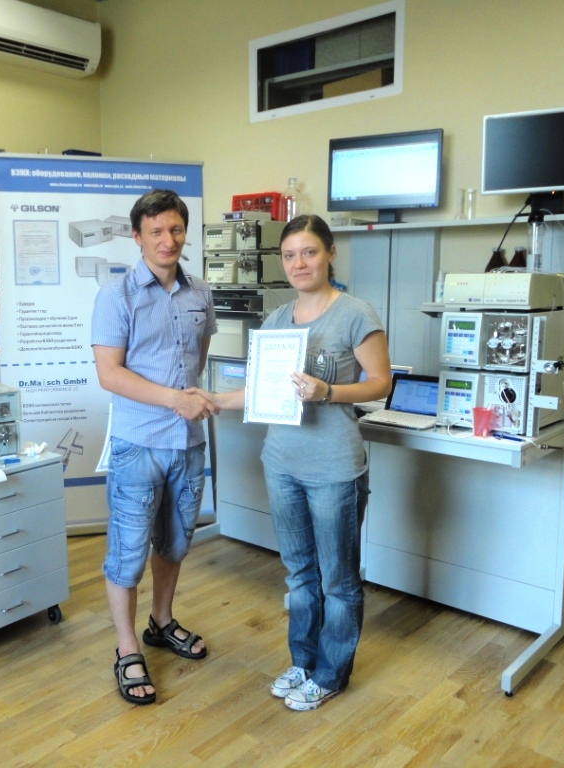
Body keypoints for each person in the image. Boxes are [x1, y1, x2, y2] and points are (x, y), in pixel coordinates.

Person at [209, 214, 391, 711]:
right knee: (299, 575)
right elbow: (258, 391)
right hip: (282, 463)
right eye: (289, 255)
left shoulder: (355, 313)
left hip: (334, 468)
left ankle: (330, 673)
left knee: (338, 581)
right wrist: (211, 399)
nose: (299, 263)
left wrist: (328, 391)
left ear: (330, 253)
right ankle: (303, 661)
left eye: (309, 252)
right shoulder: (275, 322)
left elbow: (380, 383)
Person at [91, 188, 219, 705]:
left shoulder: (199, 292)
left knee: (174, 543)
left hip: (187, 443)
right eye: (156, 231)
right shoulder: (116, 296)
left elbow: (198, 356)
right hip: (138, 443)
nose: (168, 240)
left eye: (176, 229)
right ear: (137, 236)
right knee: (127, 553)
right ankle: (126, 648)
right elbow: (109, 373)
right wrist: (173, 399)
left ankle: (161, 622)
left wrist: (186, 400)